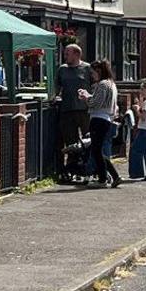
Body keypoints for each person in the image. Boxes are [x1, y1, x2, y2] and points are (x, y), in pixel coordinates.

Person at [54, 41, 92, 178]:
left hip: (84, 110)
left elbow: (95, 87)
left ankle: (88, 168)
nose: (65, 56)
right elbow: (56, 87)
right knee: (71, 142)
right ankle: (72, 169)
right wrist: (54, 96)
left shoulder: (87, 69)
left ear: (77, 54)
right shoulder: (62, 69)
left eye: (67, 53)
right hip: (67, 110)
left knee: (88, 140)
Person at [84, 60, 123, 188]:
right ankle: (114, 176)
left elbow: (95, 103)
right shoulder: (112, 84)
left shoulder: (102, 84)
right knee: (97, 150)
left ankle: (103, 179)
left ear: (99, 71)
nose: (92, 75)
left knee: (96, 150)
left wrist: (86, 97)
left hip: (98, 119)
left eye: (93, 72)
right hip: (106, 119)